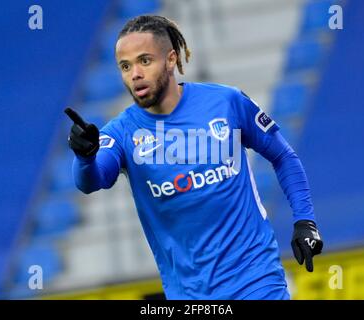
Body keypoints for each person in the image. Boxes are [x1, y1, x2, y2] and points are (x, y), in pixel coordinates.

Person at [65, 15, 323, 300]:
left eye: (145, 61)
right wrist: (85, 155)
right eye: (125, 66)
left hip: (256, 280)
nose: (134, 74)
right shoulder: (122, 132)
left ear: (171, 59)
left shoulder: (227, 103)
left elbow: (283, 156)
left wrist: (305, 221)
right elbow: (92, 180)